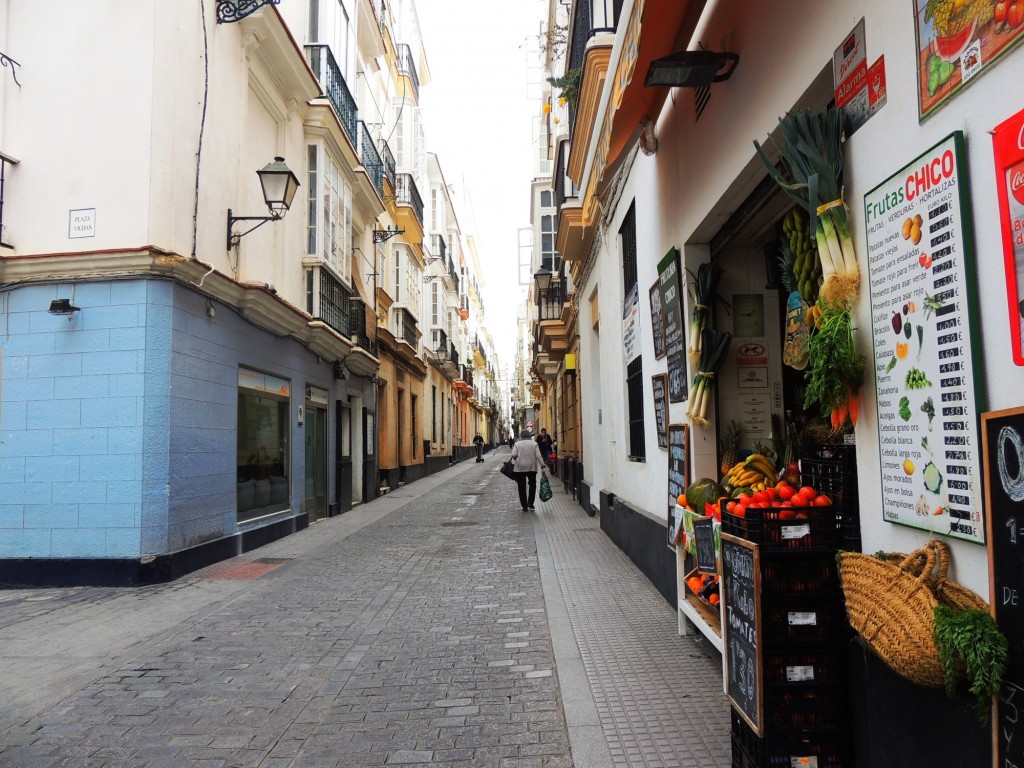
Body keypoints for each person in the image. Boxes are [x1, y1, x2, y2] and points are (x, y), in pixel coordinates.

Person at [511, 428, 546, 512]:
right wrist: (542, 465)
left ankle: (524, 506)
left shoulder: (517, 444)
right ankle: (531, 503)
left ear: (521, 436)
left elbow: (514, 455)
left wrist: (517, 456)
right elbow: (538, 455)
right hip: (531, 467)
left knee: (521, 487)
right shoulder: (534, 444)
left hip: (520, 468)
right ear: (529, 436)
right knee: (532, 484)